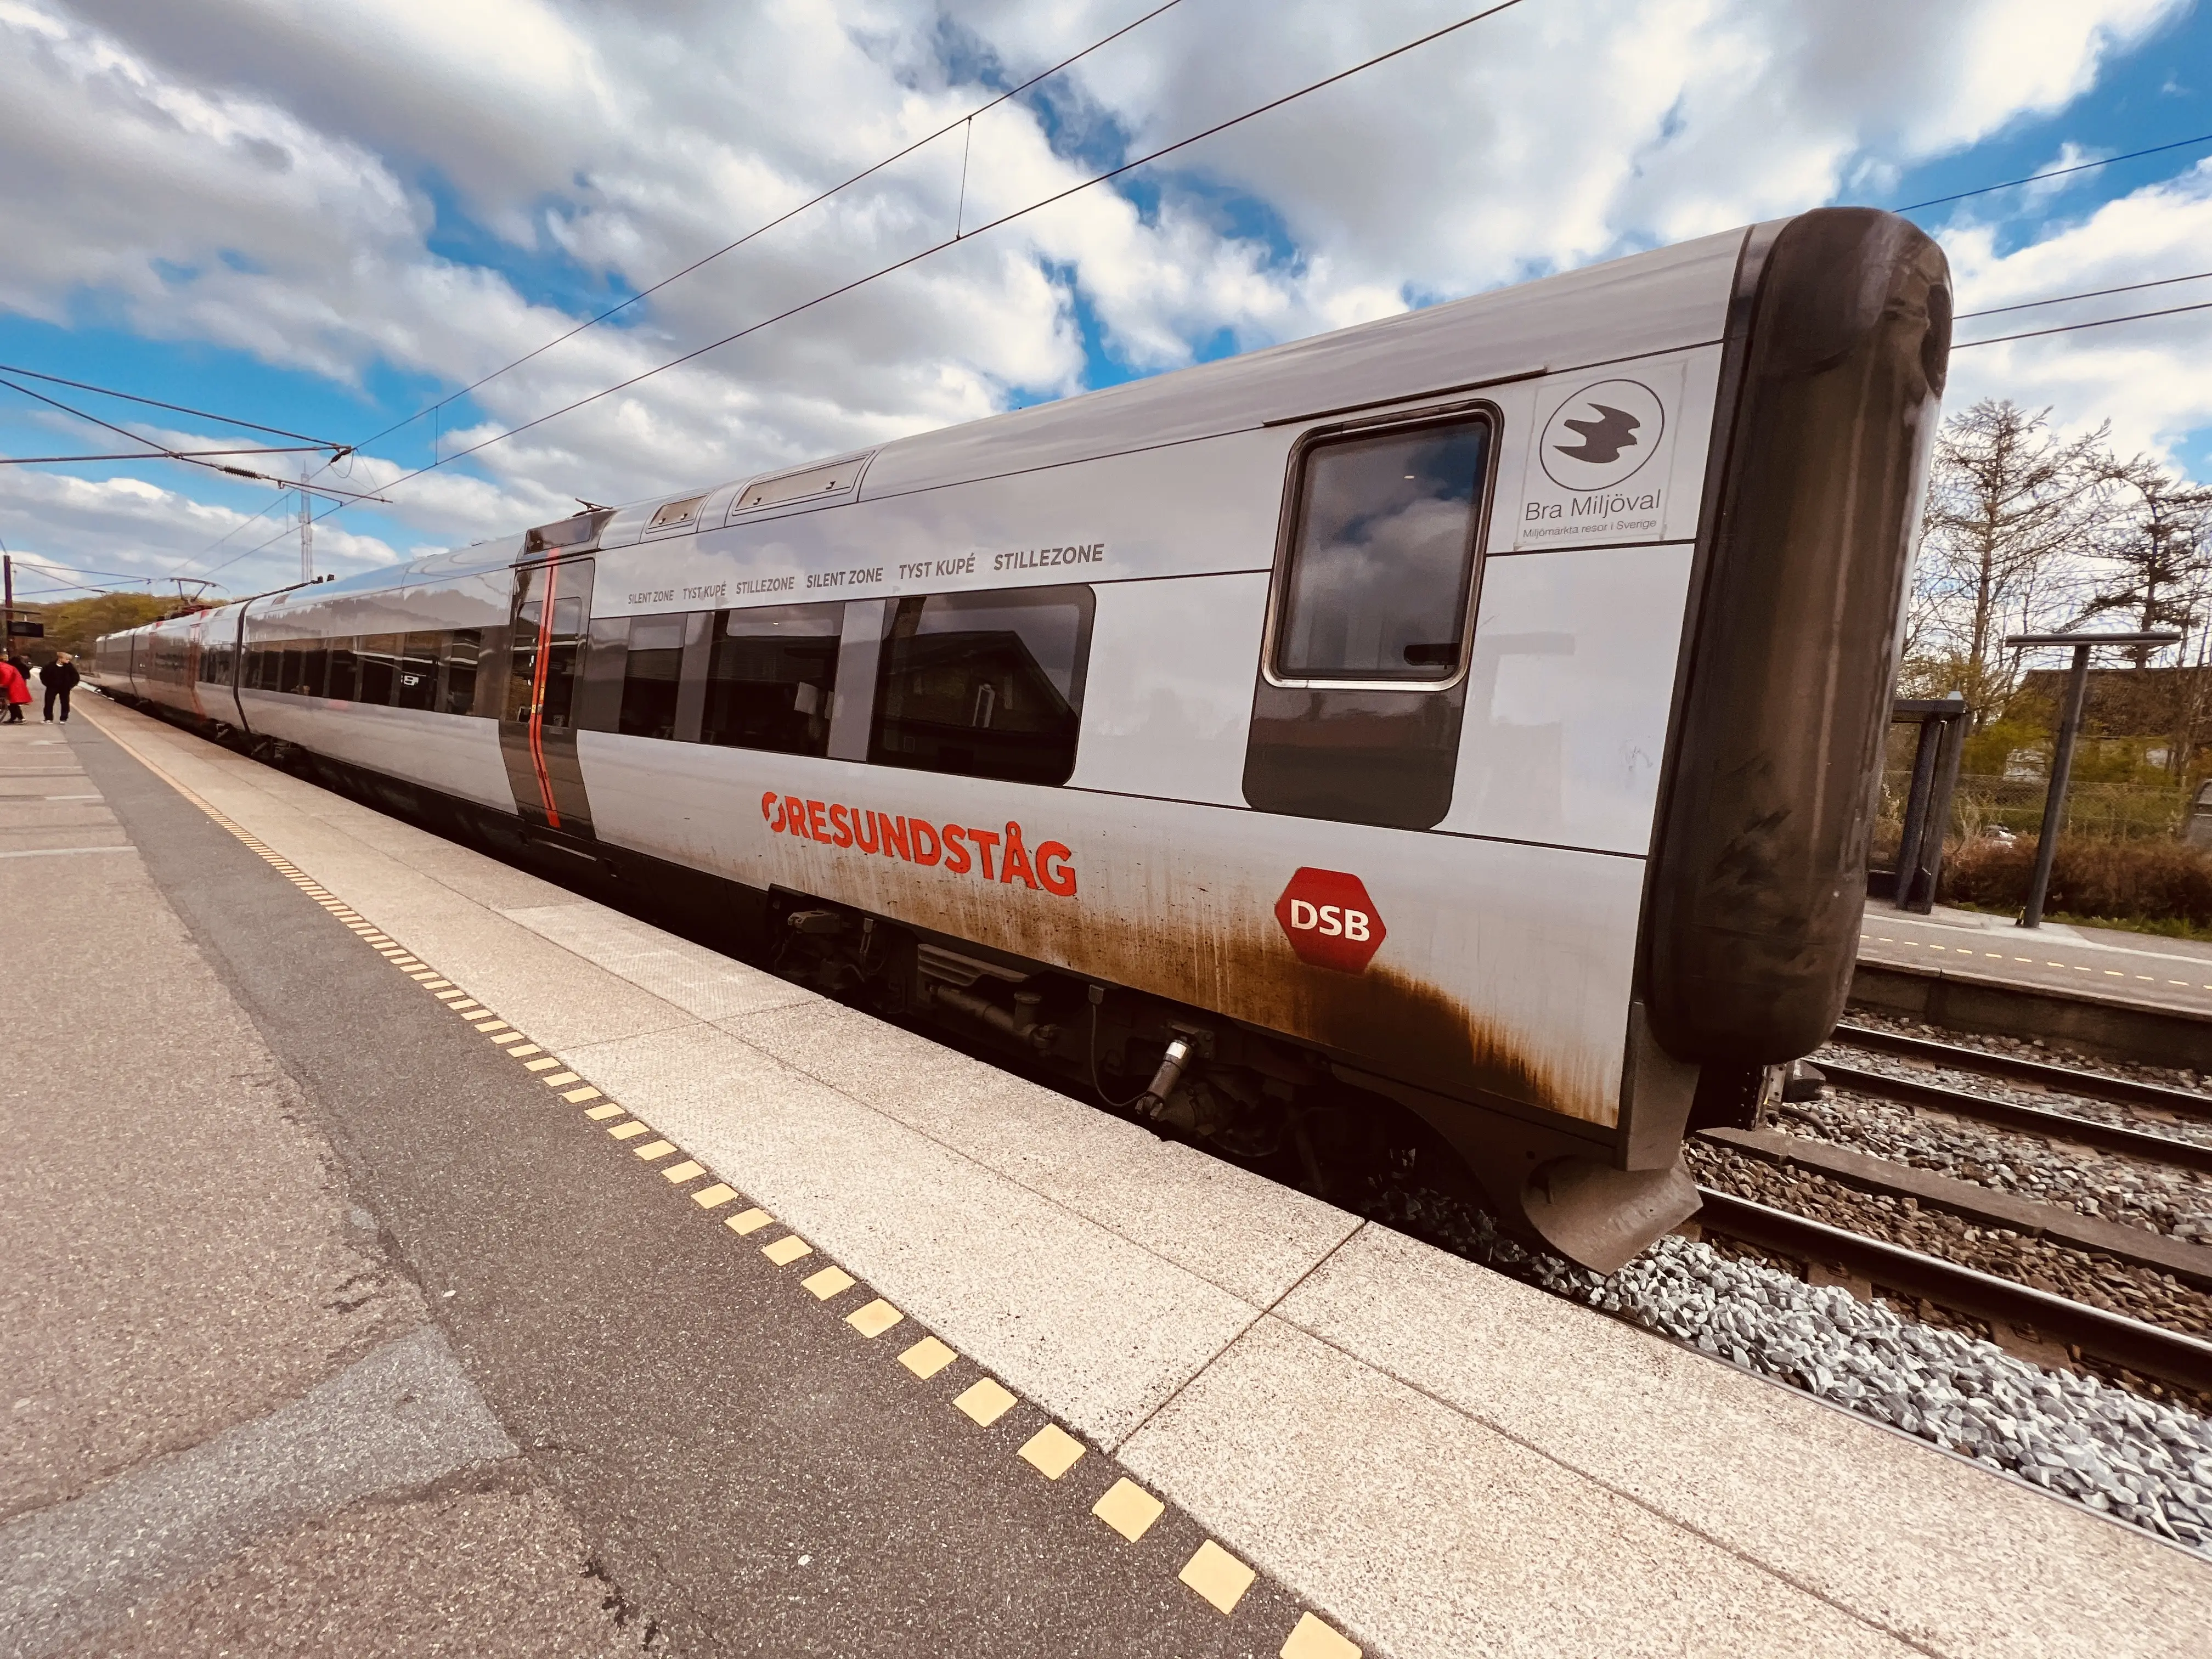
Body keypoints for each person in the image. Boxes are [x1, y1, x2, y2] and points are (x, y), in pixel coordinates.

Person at [40, 653, 80, 723]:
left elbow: (76, 677)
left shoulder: (70, 667)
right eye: (67, 659)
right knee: (49, 703)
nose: (68, 661)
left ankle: (64, 718)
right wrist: (48, 684)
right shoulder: (50, 666)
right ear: (60, 659)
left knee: (65, 703)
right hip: (52, 687)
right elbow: (43, 675)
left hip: (65, 688)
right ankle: (48, 718)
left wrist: (70, 686)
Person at [0, 656, 28, 724]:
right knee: (12, 702)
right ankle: (13, 718)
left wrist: (3, 684)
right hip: (14, 684)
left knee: (12, 702)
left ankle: (21, 718)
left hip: (13, 685)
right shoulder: (4, 666)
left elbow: (7, 676)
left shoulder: (2, 667)